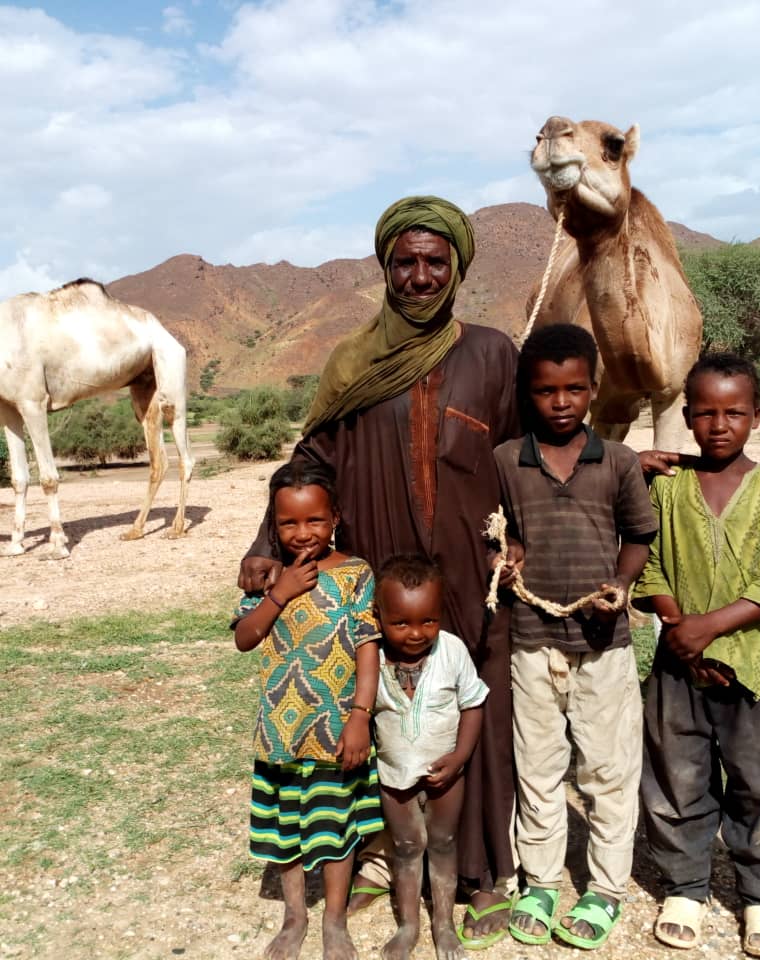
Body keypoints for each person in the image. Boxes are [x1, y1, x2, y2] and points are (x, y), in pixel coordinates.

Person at [238, 196, 519, 945]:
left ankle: (483, 873)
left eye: (435, 262)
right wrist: (266, 541)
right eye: (405, 262)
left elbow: (521, 455)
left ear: (457, 267)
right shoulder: (354, 360)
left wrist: (536, 527)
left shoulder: (493, 353)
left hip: (471, 570)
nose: (420, 277)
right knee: (381, 706)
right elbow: (311, 459)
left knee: (473, 705)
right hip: (378, 569)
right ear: (385, 268)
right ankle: (374, 856)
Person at [491, 324, 658, 950]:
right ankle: (539, 882)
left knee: (608, 768)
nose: (560, 402)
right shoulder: (507, 460)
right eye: (545, 391)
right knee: (537, 767)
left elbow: (638, 535)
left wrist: (621, 583)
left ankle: (606, 888)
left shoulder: (617, 461)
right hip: (532, 638)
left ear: (593, 388)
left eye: (575, 389)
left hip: (603, 641)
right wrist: (507, 556)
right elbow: (504, 532)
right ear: (527, 393)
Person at [632, 353, 760, 959]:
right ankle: (686, 886)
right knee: (677, 773)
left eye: (734, 412)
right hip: (678, 662)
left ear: (758, 416)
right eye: (705, 413)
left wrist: (708, 628)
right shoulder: (668, 487)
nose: (720, 425)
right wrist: (680, 630)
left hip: (751, 663)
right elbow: (650, 565)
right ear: (686, 417)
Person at [232, 461, 383, 960]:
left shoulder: (356, 574)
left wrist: (360, 715)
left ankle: (334, 920)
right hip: (281, 731)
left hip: (336, 729)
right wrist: (280, 592)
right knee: (285, 829)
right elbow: (245, 638)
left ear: (335, 516)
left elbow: (367, 648)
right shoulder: (265, 576)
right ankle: (294, 915)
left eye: (315, 520)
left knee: (336, 827)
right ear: (273, 525)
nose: (302, 533)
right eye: (288, 523)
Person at [371, 555, 489, 960]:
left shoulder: (451, 650)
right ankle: (408, 925)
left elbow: (473, 704)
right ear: (379, 616)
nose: (417, 633)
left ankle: (444, 924)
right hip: (394, 772)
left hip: (447, 773)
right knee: (406, 845)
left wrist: (459, 757)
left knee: (443, 842)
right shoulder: (371, 657)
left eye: (428, 621)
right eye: (401, 623)